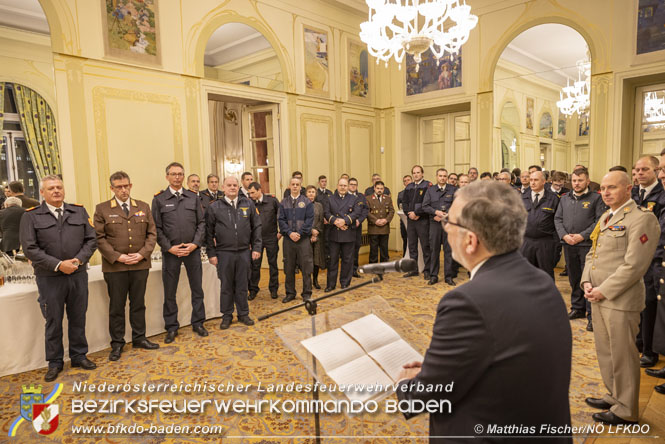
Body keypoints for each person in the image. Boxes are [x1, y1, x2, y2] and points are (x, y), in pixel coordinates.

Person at [396, 181, 572, 441]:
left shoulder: (465, 302)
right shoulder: (541, 280)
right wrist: (442, 365)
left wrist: (403, 382)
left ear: (470, 240)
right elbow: (503, 352)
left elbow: (422, 398)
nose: (445, 229)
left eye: (449, 223)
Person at [581, 171, 660, 425]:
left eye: (612, 188)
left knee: (623, 355)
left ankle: (626, 409)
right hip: (597, 295)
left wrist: (603, 289)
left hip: (620, 299)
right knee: (606, 352)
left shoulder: (641, 219)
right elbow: (593, 253)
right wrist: (586, 281)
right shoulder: (606, 216)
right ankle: (614, 396)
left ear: (629, 189)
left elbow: (634, 265)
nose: (605, 192)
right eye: (603, 188)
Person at [20, 175, 98, 381]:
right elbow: (30, 248)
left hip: (77, 274)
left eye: (59, 187)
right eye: (51, 188)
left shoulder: (78, 211)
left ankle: (79, 355)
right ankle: (55, 362)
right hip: (49, 278)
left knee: (78, 316)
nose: (56, 191)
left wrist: (78, 260)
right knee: (53, 320)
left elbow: (91, 239)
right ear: (42, 193)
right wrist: (58, 265)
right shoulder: (31, 216)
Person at [94, 171, 158, 362]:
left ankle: (139, 338)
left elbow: (152, 234)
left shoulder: (143, 206)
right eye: (119, 187)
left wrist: (142, 254)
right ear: (112, 188)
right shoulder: (102, 209)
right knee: (117, 307)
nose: (123, 190)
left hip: (140, 264)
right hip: (115, 267)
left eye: (126, 186)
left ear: (131, 186)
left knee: (138, 304)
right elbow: (99, 238)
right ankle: (117, 343)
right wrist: (118, 257)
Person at [152, 162, 208, 343]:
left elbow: (201, 224)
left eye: (180, 174)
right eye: (173, 174)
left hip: (192, 251)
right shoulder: (159, 199)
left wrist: (195, 244)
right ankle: (171, 327)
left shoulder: (193, 197)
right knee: (170, 291)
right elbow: (156, 228)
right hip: (171, 252)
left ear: (183, 177)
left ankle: (198, 322)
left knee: (197, 289)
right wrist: (169, 247)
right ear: (167, 176)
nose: (177, 177)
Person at [554, 167, 605, 332]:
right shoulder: (564, 198)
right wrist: (564, 236)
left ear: (587, 181)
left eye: (580, 180)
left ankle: (592, 315)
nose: (576, 184)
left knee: (588, 280)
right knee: (574, 278)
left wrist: (582, 236)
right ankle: (577, 307)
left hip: (587, 246)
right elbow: (558, 219)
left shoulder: (596, 199)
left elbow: (599, 221)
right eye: (574, 181)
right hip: (569, 244)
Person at [207, 177, 262, 328]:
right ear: (222, 188)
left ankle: (243, 313)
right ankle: (227, 315)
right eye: (229, 185)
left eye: (235, 185)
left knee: (243, 284)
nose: (232, 187)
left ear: (239, 188)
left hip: (244, 252)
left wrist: (257, 247)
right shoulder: (214, 207)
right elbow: (208, 232)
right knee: (226, 286)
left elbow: (257, 226)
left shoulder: (248, 204)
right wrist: (211, 253)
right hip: (224, 253)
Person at [630, 155, 665, 368]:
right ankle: (639, 342)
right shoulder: (634, 194)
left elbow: (659, 233)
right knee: (638, 302)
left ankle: (650, 350)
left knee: (651, 303)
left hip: (654, 260)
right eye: (637, 170)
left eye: (645, 170)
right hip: (635, 257)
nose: (640, 173)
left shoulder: (661, 195)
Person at [279, 176, 314, 302]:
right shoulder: (283, 202)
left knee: (306, 267)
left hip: (303, 240)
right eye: (292, 184)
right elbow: (281, 221)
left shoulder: (307, 202)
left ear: (300, 186)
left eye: (297, 184)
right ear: (289, 186)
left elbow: (309, 221)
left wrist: (299, 233)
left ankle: (307, 293)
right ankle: (290, 293)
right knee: (289, 267)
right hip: (288, 240)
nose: (294, 186)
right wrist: (289, 233)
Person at [520, 170, 559, 279]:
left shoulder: (553, 199)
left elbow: (557, 222)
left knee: (546, 275)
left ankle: (547, 296)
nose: (532, 183)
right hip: (526, 242)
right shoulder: (522, 197)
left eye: (536, 180)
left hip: (545, 242)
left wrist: (556, 246)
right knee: (525, 275)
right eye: (531, 179)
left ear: (544, 181)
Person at [422, 168, 457, 286]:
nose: (442, 178)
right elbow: (425, 206)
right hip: (435, 224)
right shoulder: (430, 190)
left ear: (447, 178)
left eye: (444, 176)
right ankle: (433, 276)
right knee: (434, 250)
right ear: (436, 177)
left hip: (448, 223)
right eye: (440, 176)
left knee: (448, 251)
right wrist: (436, 212)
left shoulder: (453, 189)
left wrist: (446, 215)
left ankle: (448, 277)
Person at [247, 182, 281, 300]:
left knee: (273, 264)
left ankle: (273, 289)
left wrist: (280, 232)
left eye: (253, 192)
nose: (251, 195)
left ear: (259, 190)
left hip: (271, 237)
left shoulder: (272, 201)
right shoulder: (249, 203)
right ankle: (253, 290)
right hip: (256, 240)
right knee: (255, 266)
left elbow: (281, 216)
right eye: (249, 193)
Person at [324, 178, 357, 291]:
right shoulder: (330, 198)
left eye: (345, 185)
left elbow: (356, 212)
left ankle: (345, 283)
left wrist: (345, 221)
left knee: (347, 260)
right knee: (332, 260)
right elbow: (326, 213)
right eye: (341, 185)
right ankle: (331, 284)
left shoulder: (354, 198)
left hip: (348, 233)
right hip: (334, 234)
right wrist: (336, 222)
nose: (343, 187)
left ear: (348, 187)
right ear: (337, 186)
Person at [402, 165, 432, 280]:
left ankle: (428, 270)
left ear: (422, 174)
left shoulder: (428, 185)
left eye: (418, 172)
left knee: (425, 246)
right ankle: (413, 270)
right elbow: (404, 202)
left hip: (422, 220)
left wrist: (417, 213)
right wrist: (409, 213)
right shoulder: (409, 186)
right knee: (412, 246)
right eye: (414, 173)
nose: (416, 175)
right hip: (411, 220)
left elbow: (427, 203)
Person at [366, 181, 394, 264]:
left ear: (384, 189)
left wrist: (386, 220)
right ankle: (373, 266)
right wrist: (376, 220)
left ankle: (384, 265)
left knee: (384, 248)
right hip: (373, 228)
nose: (379, 190)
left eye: (381, 189)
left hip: (384, 227)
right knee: (373, 248)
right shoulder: (368, 199)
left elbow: (392, 211)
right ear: (374, 188)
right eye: (378, 188)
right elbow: (367, 212)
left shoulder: (388, 198)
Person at [306, 185, 326, 289]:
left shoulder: (319, 205)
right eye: (309, 192)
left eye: (313, 192)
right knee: (307, 260)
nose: (311, 194)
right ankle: (308, 281)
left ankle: (315, 280)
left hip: (317, 237)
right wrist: (310, 232)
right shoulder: (302, 205)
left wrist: (316, 232)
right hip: (306, 237)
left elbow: (321, 220)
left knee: (316, 260)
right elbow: (302, 221)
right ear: (306, 194)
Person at [348, 178, 368, 278]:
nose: (353, 186)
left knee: (356, 248)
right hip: (346, 227)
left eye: (355, 184)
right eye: (351, 184)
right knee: (347, 250)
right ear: (348, 185)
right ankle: (346, 271)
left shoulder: (361, 196)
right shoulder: (344, 196)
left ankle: (354, 270)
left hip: (357, 226)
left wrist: (359, 220)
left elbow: (365, 210)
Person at [397, 174, 412, 256]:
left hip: (415, 219)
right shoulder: (400, 194)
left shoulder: (416, 191)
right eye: (405, 181)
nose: (407, 182)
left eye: (408, 180)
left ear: (412, 180)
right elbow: (399, 206)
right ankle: (405, 257)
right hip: (404, 220)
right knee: (405, 239)